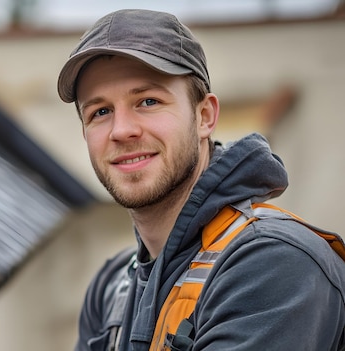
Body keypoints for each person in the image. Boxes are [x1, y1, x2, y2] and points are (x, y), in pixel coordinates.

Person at [57, 9, 345, 351]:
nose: (122, 130)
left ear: (205, 116)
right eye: (100, 112)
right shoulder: (111, 288)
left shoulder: (275, 265)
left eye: (148, 101)